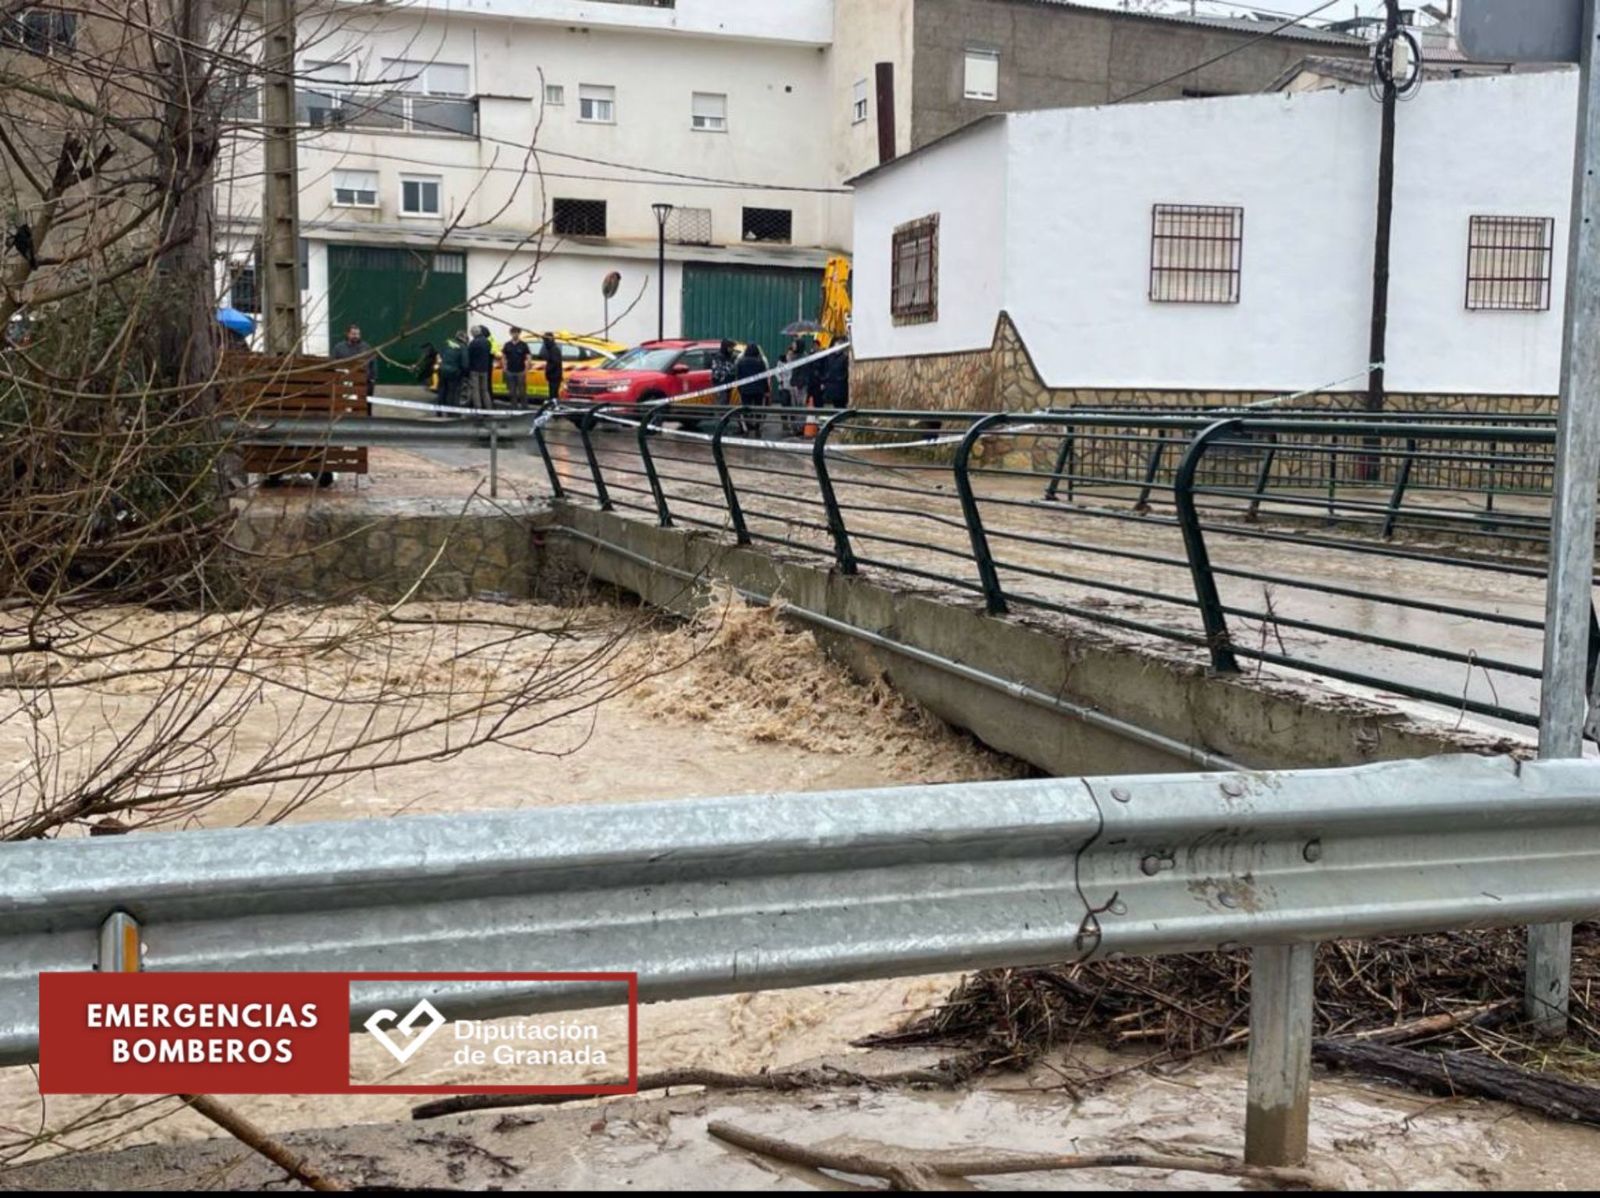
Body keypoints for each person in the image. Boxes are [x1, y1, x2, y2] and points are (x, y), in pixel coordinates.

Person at [331, 323, 378, 395]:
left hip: (363, 382)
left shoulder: (366, 347)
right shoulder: (338, 348)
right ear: (348, 334)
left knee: (365, 404)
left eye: (357, 334)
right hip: (345, 382)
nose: (356, 336)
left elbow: (373, 363)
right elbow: (333, 363)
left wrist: (372, 379)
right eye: (353, 334)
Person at [734, 342, 769, 436]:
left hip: (745, 390)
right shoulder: (760, 362)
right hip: (758, 390)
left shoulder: (741, 362)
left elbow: (739, 376)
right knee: (758, 409)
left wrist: (740, 389)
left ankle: (746, 430)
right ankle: (757, 429)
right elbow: (764, 377)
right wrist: (766, 390)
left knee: (745, 410)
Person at [466, 325, 494, 411]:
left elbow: (469, 356)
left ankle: (478, 408)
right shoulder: (487, 342)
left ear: (473, 334)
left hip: (475, 370)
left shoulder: (473, 343)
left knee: (476, 390)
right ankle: (489, 407)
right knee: (485, 390)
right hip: (485, 369)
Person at [502, 327, 531, 405]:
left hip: (520, 371)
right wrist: (504, 366)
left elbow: (528, 356)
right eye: (513, 332)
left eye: (517, 332)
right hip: (510, 371)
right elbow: (504, 356)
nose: (515, 334)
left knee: (522, 391)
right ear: (510, 333)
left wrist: (527, 367)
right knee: (512, 391)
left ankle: (524, 406)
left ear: (519, 333)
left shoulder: (523, 345)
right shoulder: (507, 345)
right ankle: (513, 406)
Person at [437, 331, 467, 408]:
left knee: (442, 391)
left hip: (442, 370)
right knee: (453, 392)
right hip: (454, 372)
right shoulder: (462, 347)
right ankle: (452, 412)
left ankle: (439, 411)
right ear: (463, 338)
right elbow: (465, 363)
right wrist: (464, 372)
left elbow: (440, 354)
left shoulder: (447, 343)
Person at [710, 338, 739, 406]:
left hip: (729, 385)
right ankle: (720, 416)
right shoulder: (719, 357)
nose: (732, 349)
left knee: (726, 403)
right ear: (726, 347)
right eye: (730, 347)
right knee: (721, 403)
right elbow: (717, 373)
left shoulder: (731, 357)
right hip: (721, 385)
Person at [820, 345, 849, 410]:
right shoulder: (830, 358)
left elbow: (846, 372)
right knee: (835, 405)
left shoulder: (844, 358)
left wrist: (840, 378)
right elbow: (826, 369)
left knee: (841, 405)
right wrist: (825, 379)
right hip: (832, 386)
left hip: (841, 386)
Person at [540, 332, 563, 401]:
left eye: (545, 340)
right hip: (553, 375)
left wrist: (548, 371)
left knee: (553, 393)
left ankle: (554, 406)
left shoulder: (554, 349)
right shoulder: (551, 348)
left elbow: (554, 363)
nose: (544, 342)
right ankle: (553, 405)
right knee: (552, 393)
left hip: (554, 376)